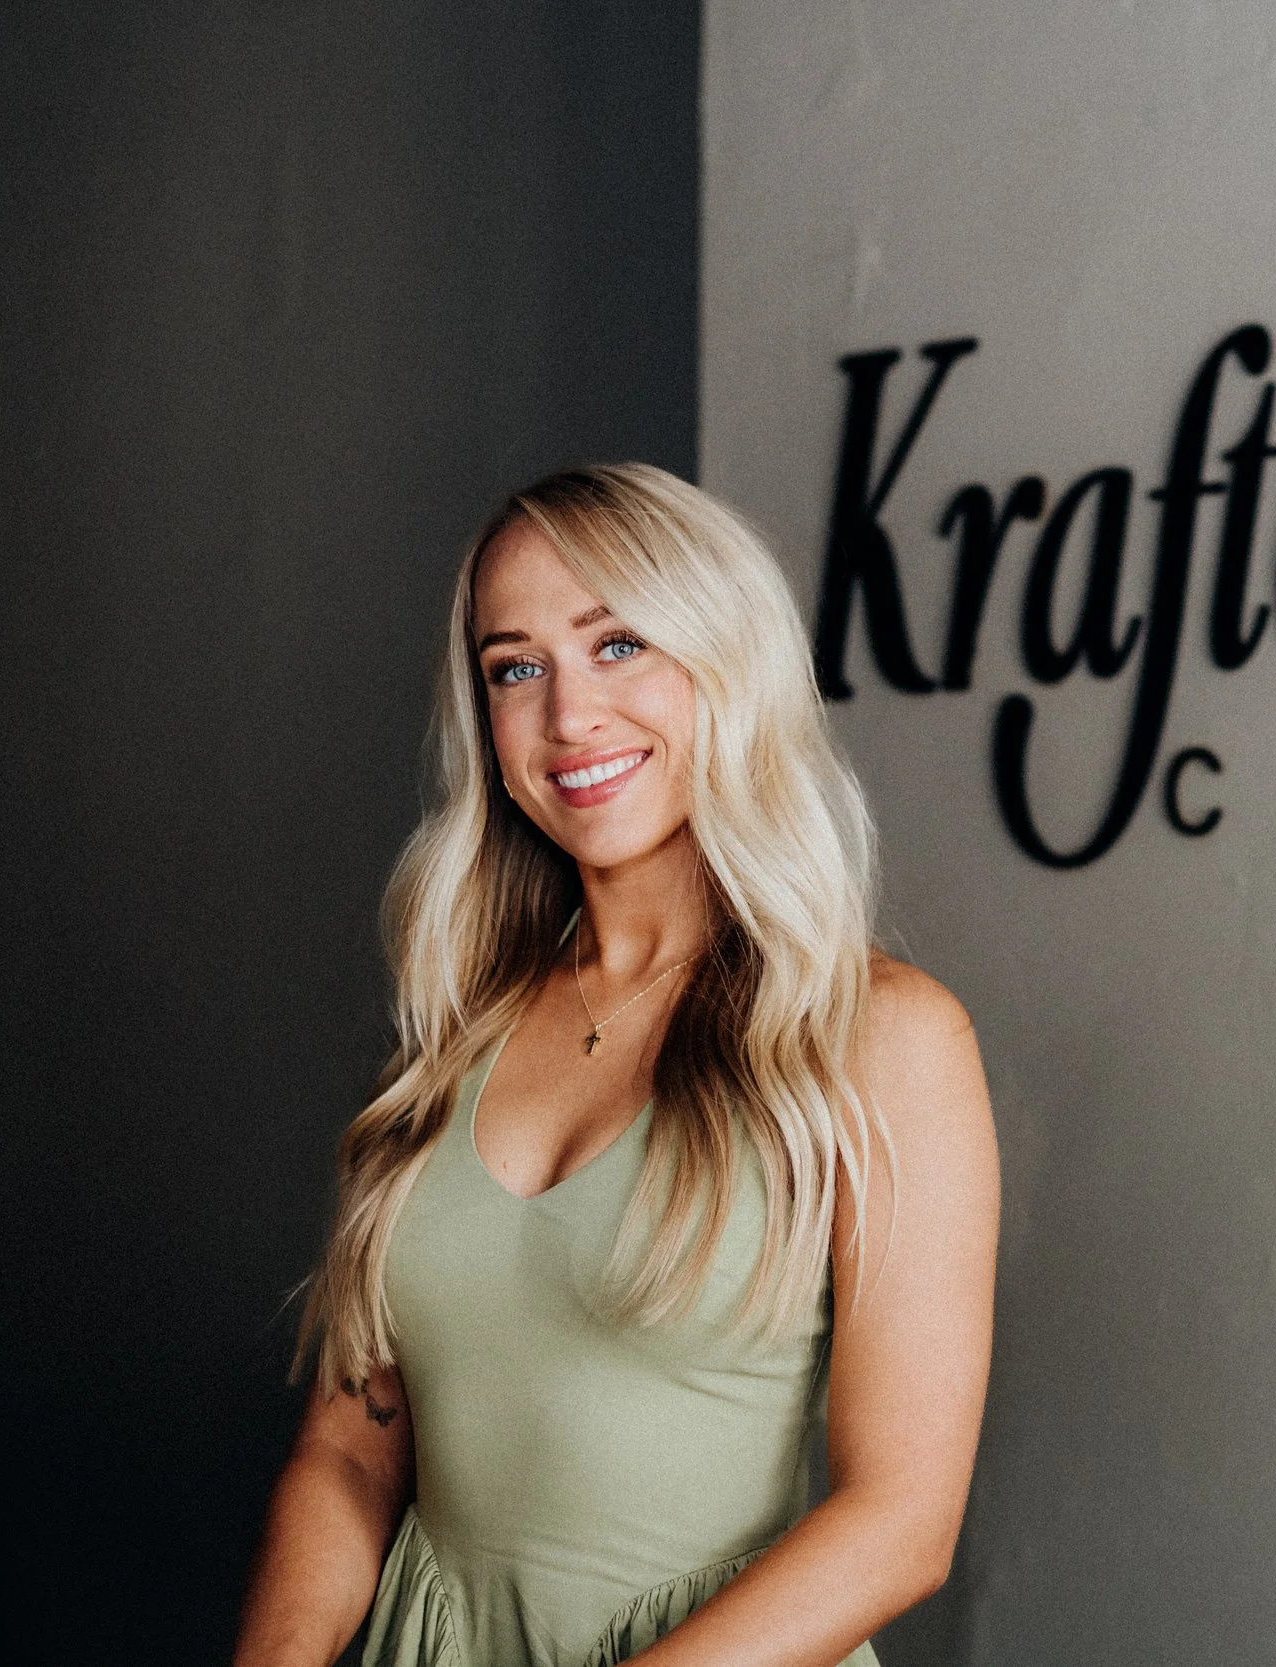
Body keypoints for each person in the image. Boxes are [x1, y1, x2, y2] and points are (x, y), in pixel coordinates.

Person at [231, 465, 999, 1667]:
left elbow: (902, 1521)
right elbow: (351, 1449)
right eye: (515, 666)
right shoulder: (456, 1030)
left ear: (725, 661)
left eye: (620, 643)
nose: (569, 716)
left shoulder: (883, 1037)